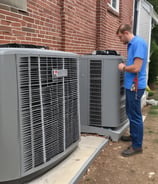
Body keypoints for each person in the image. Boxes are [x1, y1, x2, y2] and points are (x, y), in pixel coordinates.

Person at [116, 24, 148, 157]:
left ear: (126, 33)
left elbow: (136, 68)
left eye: (120, 36)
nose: (119, 39)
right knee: (131, 113)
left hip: (135, 86)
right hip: (131, 86)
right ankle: (134, 136)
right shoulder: (131, 44)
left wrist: (123, 67)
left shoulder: (138, 44)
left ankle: (137, 146)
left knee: (135, 116)